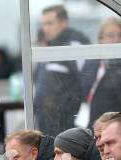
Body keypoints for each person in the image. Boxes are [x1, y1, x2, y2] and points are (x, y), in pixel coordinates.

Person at [79, 18, 121, 128]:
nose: (116, 39)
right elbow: (81, 93)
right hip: (93, 123)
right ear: (101, 39)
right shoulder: (92, 62)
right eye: (110, 35)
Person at [33, 5, 90, 136]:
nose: (45, 28)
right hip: (45, 119)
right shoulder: (50, 43)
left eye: (49, 23)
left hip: (66, 121)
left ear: (63, 22)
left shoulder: (74, 43)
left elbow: (87, 80)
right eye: (43, 24)